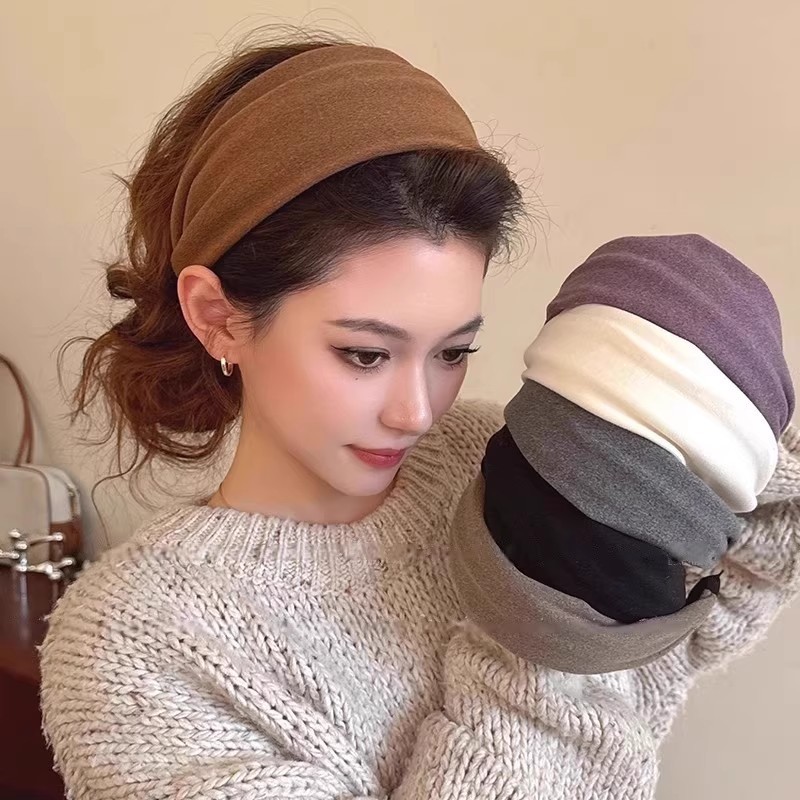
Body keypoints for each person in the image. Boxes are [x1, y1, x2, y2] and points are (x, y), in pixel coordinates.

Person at [39, 35, 800, 800]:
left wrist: (717, 429)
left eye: (452, 352)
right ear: (218, 317)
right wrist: (542, 629)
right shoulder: (134, 646)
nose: (418, 412)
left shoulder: (486, 454)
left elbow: (674, 635)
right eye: (366, 354)